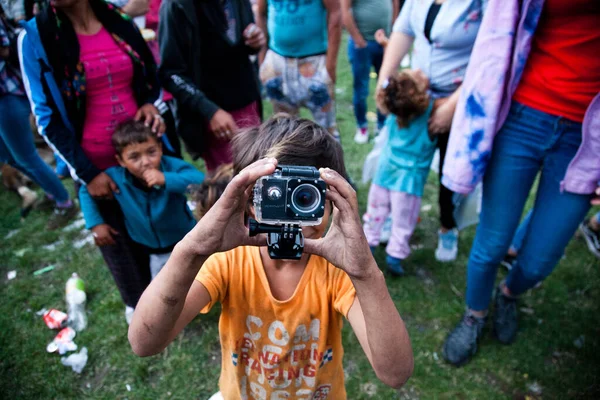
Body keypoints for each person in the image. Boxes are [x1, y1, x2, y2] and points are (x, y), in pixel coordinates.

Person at [128, 115, 414, 398]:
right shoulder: (228, 261)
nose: (295, 215)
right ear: (250, 201)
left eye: (307, 196)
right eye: (276, 195)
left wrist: (364, 272)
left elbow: (395, 374)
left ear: (332, 201)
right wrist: (191, 250)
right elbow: (144, 342)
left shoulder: (336, 270)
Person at [441, 0, 600, 366]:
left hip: (585, 138)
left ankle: (509, 293)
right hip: (521, 117)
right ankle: (475, 314)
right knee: (491, 244)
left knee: (542, 259)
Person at [19, 0, 167, 321]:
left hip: (142, 157)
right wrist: (87, 173)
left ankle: (172, 297)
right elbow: (46, 118)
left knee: (158, 228)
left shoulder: (119, 19)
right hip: (96, 169)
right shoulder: (36, 37)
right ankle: (141, 314)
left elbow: (150, 74)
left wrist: (150, 105)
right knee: (118, 244)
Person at [377, 0, 487, 263]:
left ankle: (448, 226)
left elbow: (489, 54)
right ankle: (394, 213)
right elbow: (403, 31)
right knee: (403, 165)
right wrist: (384, 83)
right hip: (415, 100)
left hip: (458, 101)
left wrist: (451, 107)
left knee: (451, 175)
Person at [79, 120, 203, 318]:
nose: (145, 161)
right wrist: (96, 223)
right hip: (149, 249)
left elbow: (201, 182)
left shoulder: (170, 166)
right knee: (163, 288)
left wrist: (166, 179)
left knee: (198, 278)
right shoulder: (116, 177)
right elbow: (86, 191)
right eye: (134, 156)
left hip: (184, 239)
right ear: (120, 160)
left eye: (151, 152)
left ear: (160, 148)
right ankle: (172, 315)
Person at [159, 0, 264, 173]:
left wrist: (255, 42)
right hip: (213, 117)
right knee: (228, 184)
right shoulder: (177, 5)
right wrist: (210, 111)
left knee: (257, 171)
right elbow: (171, 72)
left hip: (247, 102)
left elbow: (238, 41)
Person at [1, 5, 78, 229]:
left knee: (25, 156)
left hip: (7, 95)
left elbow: (6, 48)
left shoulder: (28, 36)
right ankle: (51, 192)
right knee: (9, 157)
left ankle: (63, 201)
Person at [364, 70, 435, 276]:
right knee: (403, 221)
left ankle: (368, 247)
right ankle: (394, 257)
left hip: (384, 172)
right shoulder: (429, 112)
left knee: (375, 213)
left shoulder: (394, 112)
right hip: (409, 181)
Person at [256, 0, 341, 138]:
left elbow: (336, 13)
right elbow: (260, 13)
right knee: (283, 132)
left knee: (327, 135)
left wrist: (330, 66)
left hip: (314, 61)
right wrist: (263, 59)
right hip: (277, 61)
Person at [341, 0, 398, 144]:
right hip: (363, 44)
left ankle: (382, 126)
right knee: (361, 89)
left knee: (387, 86)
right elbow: (345, 9)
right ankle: (362, 127)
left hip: (385, 41)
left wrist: (394, 30)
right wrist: (358, 40)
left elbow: (395, 3)